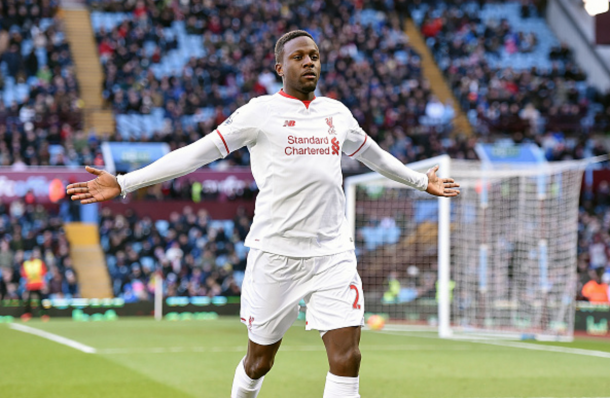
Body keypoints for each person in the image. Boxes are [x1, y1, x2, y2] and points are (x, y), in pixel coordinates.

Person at [66, 30, 460, 398]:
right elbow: (197, 153)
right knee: (259, 362)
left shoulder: (337, 114)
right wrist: (125, 181)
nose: (310, 63)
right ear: (279, 68)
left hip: (332, 253)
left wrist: (420, 182)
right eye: (299, 57)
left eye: (315, 56)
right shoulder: (260, 113)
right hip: (275, 256)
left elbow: (374, 155)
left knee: (348, 358)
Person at [20, 247, 48, 318]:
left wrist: (44, 285)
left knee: (41, 300)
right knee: (28, 301)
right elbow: (24, 277)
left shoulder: (39, 263)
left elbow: (43, 275)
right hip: (30, 286)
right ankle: (27, 313)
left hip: (38, 285)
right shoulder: (26, 264)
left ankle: (43, 314)